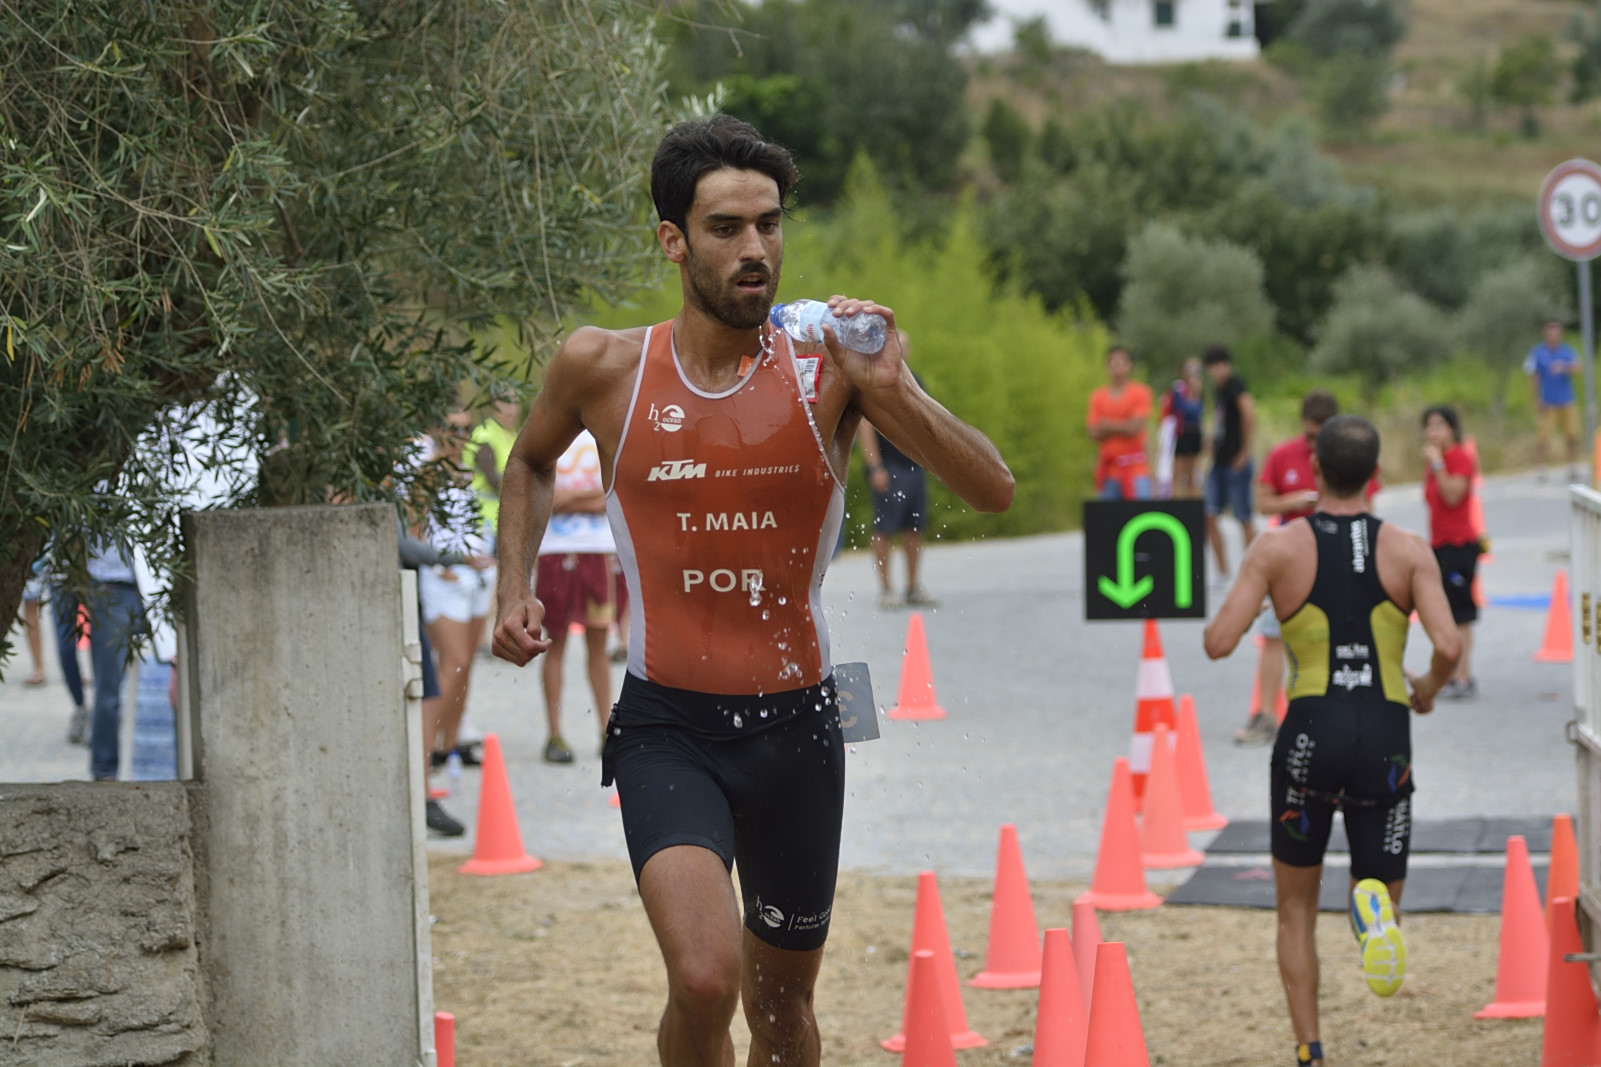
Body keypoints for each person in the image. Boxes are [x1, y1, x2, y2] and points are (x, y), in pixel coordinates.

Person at [490, 115, 1013, 1067]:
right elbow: (526, 462)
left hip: (799, 728)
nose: (755, 249)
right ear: (673, 240)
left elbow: (991, 489)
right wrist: (511, 587)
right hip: (666, 724)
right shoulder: (604, 367)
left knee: (780, 1008)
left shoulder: (831, 371)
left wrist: (893, 387)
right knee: (703, 978)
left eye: (769, 225)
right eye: (726, 227)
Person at [1203, 415, 1461, 1067]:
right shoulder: (1408, 549)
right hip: (1385, 733)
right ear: (1376, 474)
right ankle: (1372, 916)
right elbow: (1449, 644)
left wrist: (1267, 598)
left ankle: (1309, 1050)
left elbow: (1217, 642)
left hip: (1309, 737)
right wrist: (1428, 687)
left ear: (1314, 467)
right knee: (1379, 890)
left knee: (1294, 908)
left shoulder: (1276, 547)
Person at [1234, 391, 1380, 746]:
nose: (1315, 445)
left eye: (1321, 436)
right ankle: (1265, 715)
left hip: (1337, 556)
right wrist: (1293, 501)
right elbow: (1261, 501)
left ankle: (1340, 717)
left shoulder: (1350, 453)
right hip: (1290, 559)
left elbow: (1368, 508)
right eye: (1310, 436)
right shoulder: (1283, 454)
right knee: (1272, 635)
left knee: (1340, 638)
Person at [534, 430, 624, 762]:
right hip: (555, 551)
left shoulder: (603, 432)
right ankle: (555, 734)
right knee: (554, 642)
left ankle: (606, 732)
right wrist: (586, 498)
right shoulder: (549, 431)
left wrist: (569, 498)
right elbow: (546, 499)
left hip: (598, 551)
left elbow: (609, 496)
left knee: (598, 645)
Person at [52, 539, 148, 780]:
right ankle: (81, 710)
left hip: (119, 580)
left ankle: (106, 768)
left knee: (109, 685)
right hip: (73, 574)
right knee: (67, 652)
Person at [857, 330, 937, 610]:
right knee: (885, 527)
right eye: (896, 346)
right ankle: (886, 589)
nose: (901, 352)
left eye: (905, 346)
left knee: (914, 527)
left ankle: (913, 586)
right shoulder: (876, 383)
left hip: (914, 465)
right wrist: (875, 466)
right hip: (888, 466)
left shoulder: (917, 382)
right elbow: (864, 426)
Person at [1422, 405, 1481, 699]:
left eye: (1439, 426)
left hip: (1459, 544)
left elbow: (1452, 495)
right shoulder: (1435, 462)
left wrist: (1437, 465)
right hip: (1439, 544)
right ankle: (1450, 675)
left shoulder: (1458, 458)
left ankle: (1463, 676)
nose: (1433, 432)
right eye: (1429, 426)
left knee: (1460, 614)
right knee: (1444, 612)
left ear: (1453, 430)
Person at [1203, 344, 1256, 578]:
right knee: (1209, 514)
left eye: (1221, 365)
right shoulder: (1219, 390)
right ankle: (1223, 572)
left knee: (1243, 516)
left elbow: (1248, 414)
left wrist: (1244, 450)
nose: (1217, 370)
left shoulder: (1236, 384)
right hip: (1220, 460)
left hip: (1236, 461)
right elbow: (1222, 422)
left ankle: (1253, 570)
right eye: (1213, 366)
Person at [1086, 345, 1153, 501]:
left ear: (1130, 366)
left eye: (1122, 363)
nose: (1118, 368)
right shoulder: (1097, 397)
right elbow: (1093, 432)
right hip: (1109, 471)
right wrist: (1123, 424)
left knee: (1140, 514)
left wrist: (1106, 425)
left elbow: (1134, 429)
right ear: (1107, 367)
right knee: (1107, 515)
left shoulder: (1141, 392)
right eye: (1113, 363)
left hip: (1136, 470)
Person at [1524, 320, 1581, 483]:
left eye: (1555, 334)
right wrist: (1536, 398)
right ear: (1545, 335)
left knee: (1572, 434)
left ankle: (1573, 466)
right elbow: (1533, 375)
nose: (1553, 337)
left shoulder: (1567, 351)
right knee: (1543, 436)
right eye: (1550, 334)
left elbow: (1578, 366)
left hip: (1566, 400)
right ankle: (1541, 467)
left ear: (1560, 335)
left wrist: (1565, 367)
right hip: (1547, 401)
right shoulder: (1538, 352)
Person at [1159, 357, 1205, 499]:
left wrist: (1196, 393)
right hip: (1182, 432)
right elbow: (1184, 409)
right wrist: (1193, 397)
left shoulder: (1199, 390)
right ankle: (1175, 500)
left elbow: (1199, 412)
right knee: (1178, 472)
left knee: (1193, 473)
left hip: (1194, 432)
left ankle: (1192, 501)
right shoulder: (1178, 388)